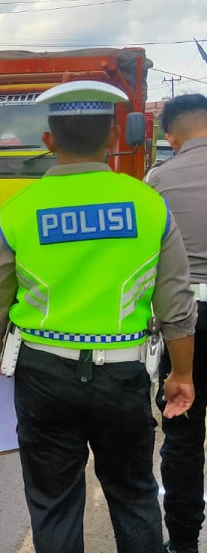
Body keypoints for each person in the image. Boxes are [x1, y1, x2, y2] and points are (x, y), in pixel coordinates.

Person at [0, 81, 196, 553]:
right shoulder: (148, 204)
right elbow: (175, 302)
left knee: (54, 503)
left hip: (42, 373)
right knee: (134, 495)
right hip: (124, 375)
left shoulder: (18, 210)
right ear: (113, 138)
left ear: (49, 141)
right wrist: (182, 373)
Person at [145, 94, 207, 553]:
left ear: (171, 137)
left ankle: (183, 543)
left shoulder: (157, 182)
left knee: (183, 437)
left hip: (185, 324)